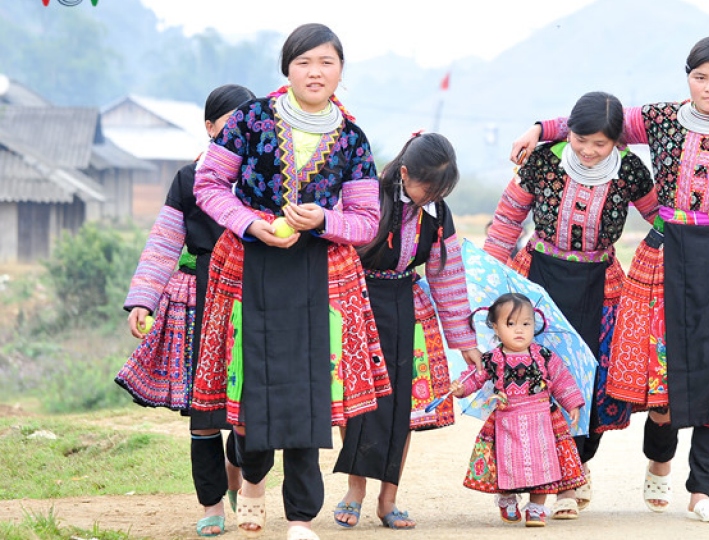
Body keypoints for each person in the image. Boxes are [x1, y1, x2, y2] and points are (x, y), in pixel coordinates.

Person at [511, 36, 709, 522]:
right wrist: (540, 128)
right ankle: (659, 460)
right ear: (687, 77)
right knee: (659, 377)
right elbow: (598, 123)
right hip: (665, 255)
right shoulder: (658, 119)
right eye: (700, 76)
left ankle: (704, 491)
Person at [190, 23, 388, 540]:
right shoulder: (252, 119)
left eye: (326, 62)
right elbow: (208, 184)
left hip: (319, 273)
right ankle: (251, 485)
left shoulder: (351, 138)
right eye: (304, 62)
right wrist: (251, 222)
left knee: (311, 387)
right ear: (287, 69)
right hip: (246, 266)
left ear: (341, 70)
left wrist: (324, 220)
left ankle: (300, 516)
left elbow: (367, 219)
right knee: (249, 378)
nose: (315, 72)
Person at [484, 91, 655, 517]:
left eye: (601, 144)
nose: (590, 151)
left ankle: (573, 475)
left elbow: (661, 217)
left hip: (600, 285)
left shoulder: (630, 171)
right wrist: (489, 278)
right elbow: (507, 219)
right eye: (582, 139)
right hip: (537, 278)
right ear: (570, 131)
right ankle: (533, 475)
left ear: (618, 141)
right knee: (532, 378)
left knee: (588, 383)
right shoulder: (543, 161)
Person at [117, 83, 256, 538]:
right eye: (228, 123)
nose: (237, 131)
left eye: (246, 123)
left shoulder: (265, 181)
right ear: (210, 127)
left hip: (252, 301)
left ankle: (243, 478)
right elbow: (163, 242)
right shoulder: (187, 179)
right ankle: (212, 506)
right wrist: (143, 298)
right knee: (203, 415)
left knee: (249, 410)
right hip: (197, 300)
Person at [332, 132, 482, 530]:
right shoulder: (367, 196)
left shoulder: (436, 213)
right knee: (357, 401)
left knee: (403, 409)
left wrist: (464, 341)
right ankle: (355, 489)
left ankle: (389, 498)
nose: (431, 197)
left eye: (440, 191)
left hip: (407, 308)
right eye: (426, 188)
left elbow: (446, 275)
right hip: (357, 304)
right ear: (403, 172)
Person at [450, 292, 586, 528]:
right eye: (510, 324)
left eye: (526, 323)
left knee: (544, 463)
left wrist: (572, 402)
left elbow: (562, 379)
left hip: (542, 420)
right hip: (507, 420)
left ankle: (536, 508)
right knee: (507, 462)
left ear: (535, 324)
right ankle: (507, 498)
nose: (519, 330)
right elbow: (476, 377)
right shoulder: (493, 358)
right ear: (495, 327)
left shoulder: (544, 356)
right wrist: (462, 388)